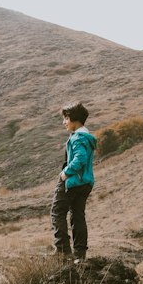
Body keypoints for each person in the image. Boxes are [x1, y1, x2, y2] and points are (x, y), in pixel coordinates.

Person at [51, 102, 97, 259]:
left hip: (73, 181)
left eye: (66, 118)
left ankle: (63, 252)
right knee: (78, 215)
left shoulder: (77, 137)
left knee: (57, 212)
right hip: (85, 183)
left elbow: (80, 158)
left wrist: (65, 173)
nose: (64, 122)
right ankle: (79, 254)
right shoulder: (86, 137)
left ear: (74, 119)